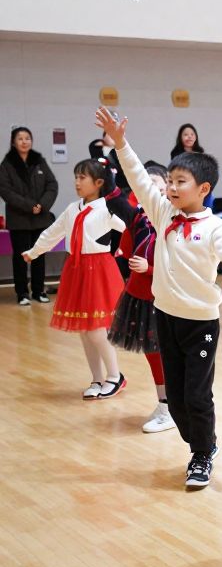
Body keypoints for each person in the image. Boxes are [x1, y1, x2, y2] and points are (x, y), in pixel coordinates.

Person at [96, 106, 222, 490]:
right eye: (171, 181)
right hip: (166, 317)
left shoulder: (214, 227)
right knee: (176, 401)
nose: (172, 188)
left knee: (196, 395)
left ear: (204, 189)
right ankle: (201, 444)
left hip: (200, 324)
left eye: (181, 182)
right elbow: (139, 178)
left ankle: (201, 454)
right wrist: (122, 144)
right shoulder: (162, 214)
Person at [23, 158, 133, 399]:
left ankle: (115, 376)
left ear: (99, 182)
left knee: (96, 330)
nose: (77, 182)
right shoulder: (73, 209)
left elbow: (131, 228)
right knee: (85, 330)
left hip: (99, 270)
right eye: (76, 177)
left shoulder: (106, 208)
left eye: (82, 178)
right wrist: (34, 252)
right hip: (76, 269)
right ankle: (97, 378)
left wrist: (129, 250)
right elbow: (53, 232)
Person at [107, 163, 176, 433]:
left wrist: (149, 268)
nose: (154, 192)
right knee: (152, 353)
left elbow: (180, 265)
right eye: (146, 186)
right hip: (139, 295)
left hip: (162, 296)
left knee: (165, 354)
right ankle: (165, 404)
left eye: (159, 187)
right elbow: (126, 248)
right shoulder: (140, 218)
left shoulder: (173, 219)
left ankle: (171, 406)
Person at [0, 127, 58, 304]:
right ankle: (22, 293)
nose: (24, 142)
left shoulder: (39, 161)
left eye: (28, 138)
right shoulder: (7, 165)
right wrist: (29, 206)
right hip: (19, 220)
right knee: (20, 257)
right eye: (20, 138)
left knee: (39, 254)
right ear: (13, 142)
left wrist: (42, 205)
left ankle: (39, 290)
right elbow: (6, 191)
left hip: (40, 217)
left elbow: (52, 184)